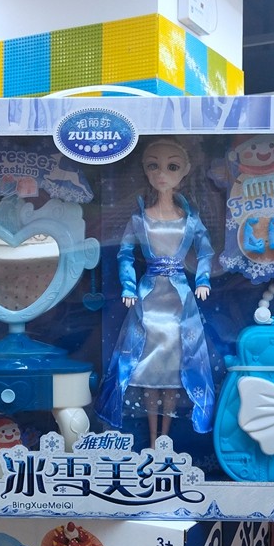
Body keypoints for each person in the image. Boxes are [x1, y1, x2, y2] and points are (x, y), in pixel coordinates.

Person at [96, 138, 215, 446]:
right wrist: (128, 286)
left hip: (179, 301)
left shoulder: (190, 221)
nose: (162, 174)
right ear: (145, 171)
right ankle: (152, 439)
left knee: (174, 366)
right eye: (154, 166)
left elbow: (205, 251)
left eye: (172, 166)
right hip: (149, 299)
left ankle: (165, 438)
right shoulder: (139, 219)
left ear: (185, 171)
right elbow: (124, 254)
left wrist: (203, 281)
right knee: (149, 367)